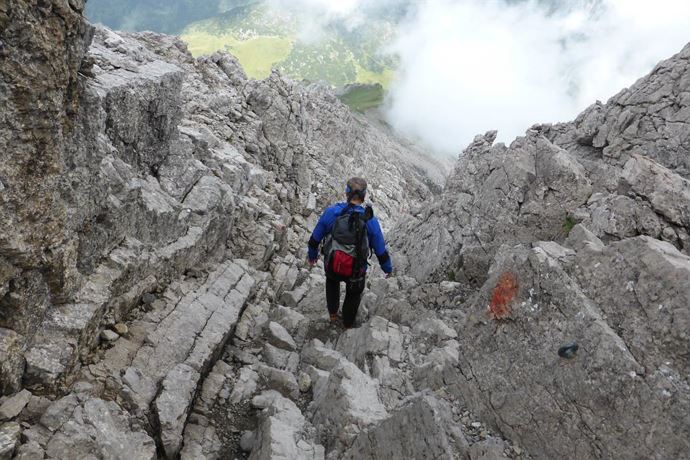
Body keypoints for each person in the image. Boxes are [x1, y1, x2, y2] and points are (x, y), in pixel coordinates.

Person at [307, 177, 393, 329]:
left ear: (346, 192)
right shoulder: (370, 220)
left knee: (332, 283)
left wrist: (312, 256)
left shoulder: (332, 212)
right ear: (364, 195)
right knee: (353, 294)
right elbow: (380, 250)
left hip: (333, 264)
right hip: (356, 270)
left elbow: (314, 239)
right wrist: (388, 269)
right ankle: (347, 325)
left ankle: (333, 316)